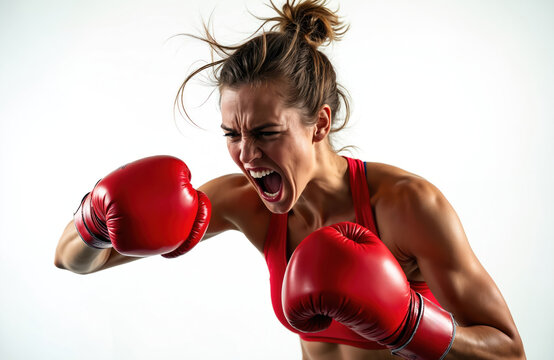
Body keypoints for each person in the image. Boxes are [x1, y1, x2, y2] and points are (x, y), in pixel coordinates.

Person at [54, 0, 526, 359]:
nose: (247, 155)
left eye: (266, 133)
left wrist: (408, 324)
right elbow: (72, 260)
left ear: (319, 124)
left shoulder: (406, 205)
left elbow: (509, 350)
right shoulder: (246, 201)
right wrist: (97, 219)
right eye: (231, 134)